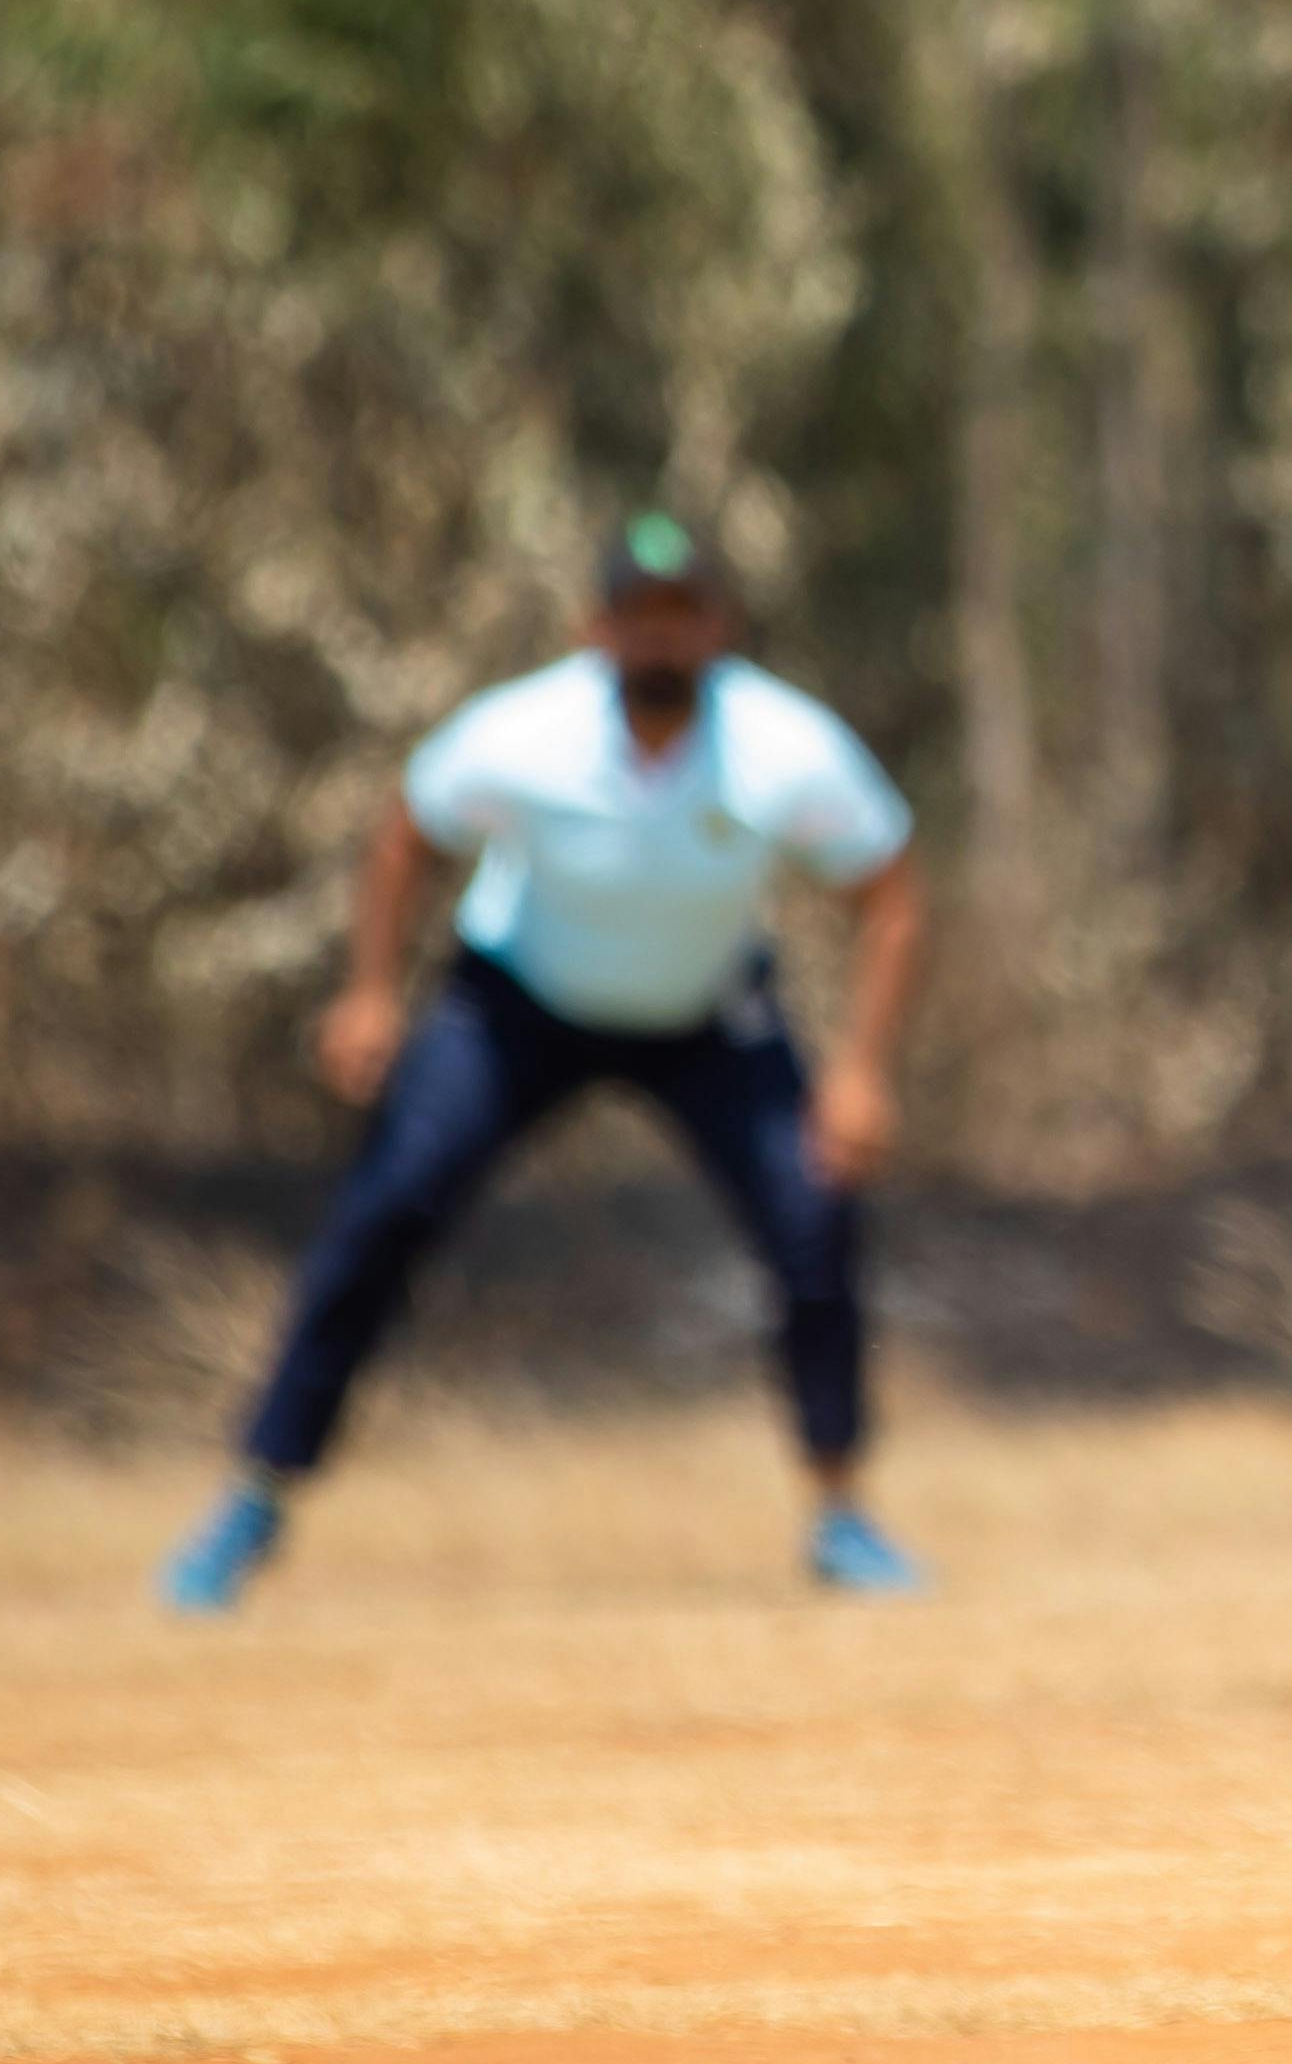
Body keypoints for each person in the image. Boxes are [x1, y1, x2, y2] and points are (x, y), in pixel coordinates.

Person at [160, 513, 938, 1612]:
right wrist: (372, 991)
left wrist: (861, 1069)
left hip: (707, 1011)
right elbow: (405, 839)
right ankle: (253, 1499)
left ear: (718, 626)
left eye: (682, 616)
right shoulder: (523, 734)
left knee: (814, 1217)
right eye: (638, 616)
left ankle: (843, 1514)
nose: (659, 639)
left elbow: (890, 891)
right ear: (596, 627)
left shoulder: (784, 747)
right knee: (389, 1207)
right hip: (519, 1005)